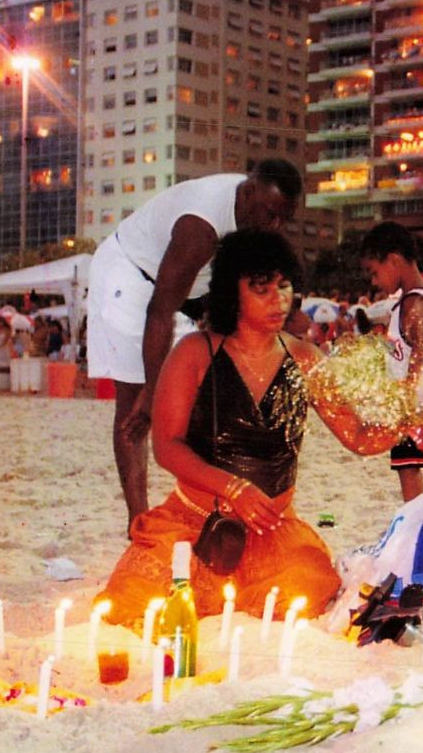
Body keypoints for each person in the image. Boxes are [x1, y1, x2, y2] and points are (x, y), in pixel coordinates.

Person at [97, 229, 390, 626]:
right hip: (195, 520)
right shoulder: (194, 352)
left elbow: (357, 435)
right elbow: (166, 446)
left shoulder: (305, 358)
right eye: (261, 288)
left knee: (312, 592)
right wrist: (234, 488)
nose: (278, 299)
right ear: (232, 293)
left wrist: (412, 429)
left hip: (274, 529)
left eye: (284, 286)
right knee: (131, 602)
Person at [88, 159, 302, 531]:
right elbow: (159, 311)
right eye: (270, 214)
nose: (274, 226)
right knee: (134, 401)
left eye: (283, 218)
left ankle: (205, 502)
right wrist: (152, 394)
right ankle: (138, 521)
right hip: (132, 271)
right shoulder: (199, 229)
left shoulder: (254, 211)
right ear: (248, 193)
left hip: (189, 281)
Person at [359, 221, 423, 504]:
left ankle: (417, 521)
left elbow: (419, 354)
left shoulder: (413, 303)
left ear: (395, 260)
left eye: (375, 272)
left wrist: (404, 403)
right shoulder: (414, 299)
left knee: (410, 471)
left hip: (418, 410)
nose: (374, 282)